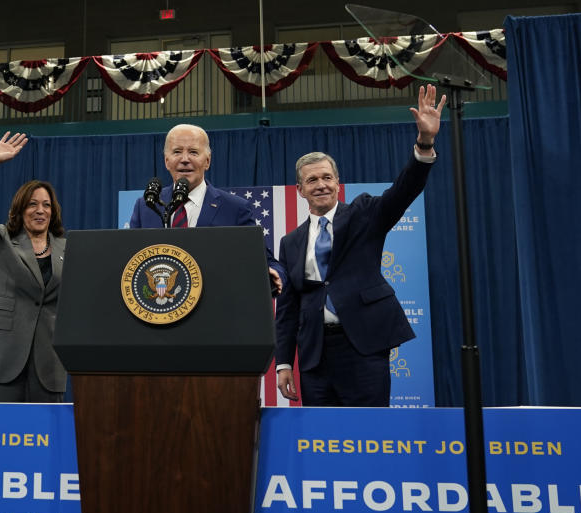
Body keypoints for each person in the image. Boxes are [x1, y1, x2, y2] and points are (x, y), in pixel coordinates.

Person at [275, 84, 447, 407]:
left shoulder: (364, 213)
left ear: (337, 183)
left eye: (327, 177)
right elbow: (287, 308)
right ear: (300, 190)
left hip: (364, 348)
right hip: (315, 357)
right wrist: (284, 363)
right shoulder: (290, 242)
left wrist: (425, 142)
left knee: (370, 436)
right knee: (324, 442)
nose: (321, 184)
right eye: (312, 180)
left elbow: (404, 190)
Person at [0, 131, 67, 402]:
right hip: (2, 355)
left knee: (45, 439)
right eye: (32, 204)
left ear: (53, 211)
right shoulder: (1, 240)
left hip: (49, 362)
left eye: (46, 205)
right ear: (20, 210)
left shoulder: (69, 249)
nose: (40, 210)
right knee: (1, 435)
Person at [128, 123, 285, 294]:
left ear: (207, 161)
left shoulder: (235, 208)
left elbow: (266, 261)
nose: (185, 159)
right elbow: (129, 261)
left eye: (193, 152)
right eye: (177, 152)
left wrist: (273, 274)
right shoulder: (146, 206)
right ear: (167, 161)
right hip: (161, 308)